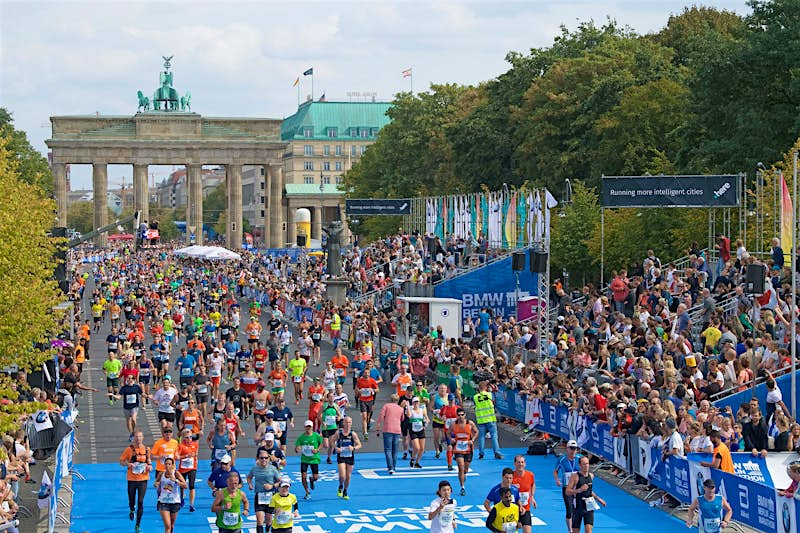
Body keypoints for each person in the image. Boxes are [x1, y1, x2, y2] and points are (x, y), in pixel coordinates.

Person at [119, 430, 151, 533]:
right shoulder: (129, 449)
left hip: (143, 479)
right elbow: (121, 461)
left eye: (140, 437)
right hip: (132, 479)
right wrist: (128, 464)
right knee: (131, 499)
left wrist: (150, 466)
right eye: (136, 437)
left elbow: (149, 462)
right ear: (134, 438)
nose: (138, 439)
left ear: (143, 438)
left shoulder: (147, 449)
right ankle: (132, 509)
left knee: (141, 501)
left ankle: (138, 525)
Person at [565, 456, 606, 533]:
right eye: (584, 464)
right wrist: (579, 490)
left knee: (589, 530)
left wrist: (599, 499)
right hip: (578, 506)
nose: (586, 466)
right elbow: (567, 491)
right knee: (575, 531)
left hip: (589, 506)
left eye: (587, 463)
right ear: (580, 465)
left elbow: (589, 491)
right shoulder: (575, 476)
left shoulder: (591, 476)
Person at [247, 449, 281, 533]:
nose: (264, 460)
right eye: (262, 458)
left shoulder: (272, 469)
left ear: (269, 458)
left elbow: (280, 481)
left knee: (269, 521)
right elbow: (249, 477)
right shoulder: (254, 469)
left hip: (270, 497)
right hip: (259, 496)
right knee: (259, 521)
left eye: (266, 458)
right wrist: (250, 484)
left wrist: (272, 486)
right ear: (258, 458)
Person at [553, 440, 583, 533]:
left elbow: (586, 469)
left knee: (577, 509)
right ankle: (570, 530)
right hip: (567, 488)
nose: (573, 451)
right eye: (571, 448)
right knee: (569, 509)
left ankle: (575, 528)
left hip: (578, 488)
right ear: (567, 449)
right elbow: (555, 471)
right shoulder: (562, 459)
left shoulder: (580, 458)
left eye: (575, 449)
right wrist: (557, 480)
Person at [156, 457, 187, 533]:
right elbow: (157, 484)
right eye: (166, 464)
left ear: (173, 465)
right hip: (163, 502)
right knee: (167, 526)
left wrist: (176, 481)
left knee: (172, 526)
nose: (167, 466)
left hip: (174, 502)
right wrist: (156, 484)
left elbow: (185, 486)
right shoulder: (161, 474)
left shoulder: (176, 473)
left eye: (169, 464)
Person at [450, 407, 477, 496]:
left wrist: (472, 440)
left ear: (465, 415)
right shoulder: (453, 424)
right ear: (457, 416)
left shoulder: (470, 423)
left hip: (468, 449)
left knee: (465, 469)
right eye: (459, 415)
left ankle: (463, 476)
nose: (461, 417)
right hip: (458, 448)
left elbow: (476, 432)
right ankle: (462, 487)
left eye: (462, 415)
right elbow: (447, 432)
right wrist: (451, 439)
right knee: (460, 467)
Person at [334, 415, 362, 499]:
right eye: (346, 422)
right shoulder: (339, 433)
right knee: (342, 475)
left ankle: (345, 491)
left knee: (348, 476)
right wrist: (336, 448)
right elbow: (332, 441)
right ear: (343, 423)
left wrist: (353, 448)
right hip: (341, 455)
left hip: (350, 456)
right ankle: (340, 486)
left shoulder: (353, 434)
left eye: (349, 422)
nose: (348, 424)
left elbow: (359, 445)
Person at [376, 393, 405, 474]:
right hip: (397, 429)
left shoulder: (386, 406)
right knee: (395, 450)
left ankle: (390, 467)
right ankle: (394, 467)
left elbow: (381, 416)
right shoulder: (400, 408)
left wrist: (378, 426)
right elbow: (402, 419)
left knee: (388, 449)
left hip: (388, 429)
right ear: (398, 400)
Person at [474, 380, 503, 460]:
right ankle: (497, 452)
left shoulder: (475, 397)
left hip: (481, 420)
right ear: (486, 388)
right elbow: (495, 396)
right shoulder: (490, 395)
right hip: (490, 419)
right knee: (494, 436)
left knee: (481, 437)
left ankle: (481, 454)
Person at [294, 420, 323, 500]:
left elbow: (322, 444)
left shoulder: (316, 436)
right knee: (303, 476)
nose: (308, 428)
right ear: (304, 427)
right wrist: (297, 449)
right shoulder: (301, 437)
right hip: (305, 459)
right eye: (307, 427)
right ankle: (307, 492)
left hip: (314, 459)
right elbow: (296, 448)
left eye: (309, 427)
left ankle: (312, 479)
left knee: (316, 478)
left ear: (312, 427)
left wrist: (317, 450)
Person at [511, 455, 537, 533]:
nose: (520, 464)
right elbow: (504, 488)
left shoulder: (530, 475)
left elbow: (533, 484)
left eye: (522, 462)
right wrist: (512, 486)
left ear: (525, 464)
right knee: (511, 530)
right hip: (513, 509)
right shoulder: (510, 476)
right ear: (515, 464)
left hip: (526, 509)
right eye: (518, 462)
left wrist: (532, 497)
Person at [177, 428, 199, 512]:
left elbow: (195, 454)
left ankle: (191, 504)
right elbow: (177, 457)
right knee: (182, 486)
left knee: (192, 486)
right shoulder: (181, 446)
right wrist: (186, 456)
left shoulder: (195, 444)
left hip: (192, 468)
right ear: (183, 438)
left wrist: (196, 459)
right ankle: (182, 497)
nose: (189, 439)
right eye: (186, 437)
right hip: (182, 469)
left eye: (190, 437)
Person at [318, 393, 342, 464]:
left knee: (331, 444)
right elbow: (318, 415)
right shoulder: (324, 406)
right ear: (327, 398)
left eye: (332, 396)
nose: (331, 398)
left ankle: (329, 458)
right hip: (325, 427)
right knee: (326, 445)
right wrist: (323, 422)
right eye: (330, 397)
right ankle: (319, 443)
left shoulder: (336, 406)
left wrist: (338, 418)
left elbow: (339, 415)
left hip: (333, 427)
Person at [407, 396, 429, 468]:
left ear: (419, 403)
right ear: (412, 403)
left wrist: (426, 422)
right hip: (413, 430)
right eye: (415, 402)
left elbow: (426, 417)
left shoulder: (422, 410)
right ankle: (412, 459)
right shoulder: (411, 410)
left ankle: (417, 462)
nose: (416, 403)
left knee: (422, 448)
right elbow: (409, 416)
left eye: (417, 402)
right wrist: (407, 406)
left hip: (421, 430)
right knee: (417, 448)